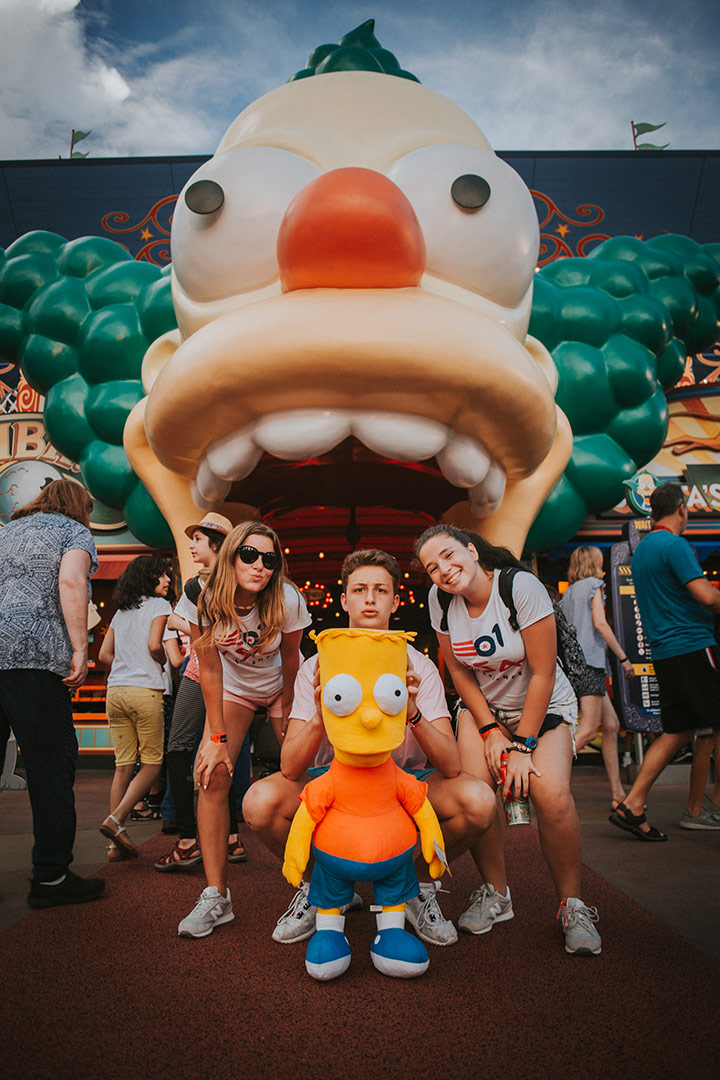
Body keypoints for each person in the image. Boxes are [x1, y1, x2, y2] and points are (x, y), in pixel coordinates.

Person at [243, 548, 498, 948]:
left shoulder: (418, 666)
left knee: (479, 801)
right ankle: (320, 888)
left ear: (395, 602)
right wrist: (319, 717)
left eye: (381, 590)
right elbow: (290, 767)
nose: (370, 599)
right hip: (332, 781)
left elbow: (451, 765)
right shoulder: (316, 666)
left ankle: (413, 889)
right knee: (259, 802)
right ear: (344, 600)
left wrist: (413, 712)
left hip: (402, 782)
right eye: (360, 589)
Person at [415, 524, 602, 957]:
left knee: (550, 795)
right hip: (486, 710)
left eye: (448, 555)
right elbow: (458, 670)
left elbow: (543, 672)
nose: (443, 570)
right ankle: (497, 893)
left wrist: (521, 746)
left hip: (543, 705)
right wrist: (488, 730)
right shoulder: (440, 600)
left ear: (471, 550)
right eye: (431, 567)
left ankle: (573, 906)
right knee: (477, 796)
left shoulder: (519, 587)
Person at [175, 521, 311, 938]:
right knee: (211, 774)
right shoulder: (199, 594)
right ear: (231, 555)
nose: (259, 566)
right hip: (233, 689)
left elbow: (292, 660)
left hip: (281, 687)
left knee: (300, 773)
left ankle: (322, 880)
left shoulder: (287, 598)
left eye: (269, 559)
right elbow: (209, 666)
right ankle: (216, 895)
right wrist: (217, 739)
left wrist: (287, 713)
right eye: (249, 555)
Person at [0, 478, 104, 908]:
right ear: (80, 506)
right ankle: (51, 877)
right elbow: (71, 583)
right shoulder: (73, 531)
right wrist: (80, 648)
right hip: (36, 662)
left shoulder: (6, 532)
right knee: (51, 769)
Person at [611, 483, 720, 838]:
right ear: (682, 509)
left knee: (677, 730)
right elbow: (706, 597)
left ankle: (633, 803)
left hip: (665, 652)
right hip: (692, 644)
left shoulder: (643, 549)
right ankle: (708, 807)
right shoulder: (675, 545)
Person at [154, 513, 249, 870]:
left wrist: (185, 623)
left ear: (217, 544)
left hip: (211, 674)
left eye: (197, 540)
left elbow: (195, 630)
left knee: (185, 749)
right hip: (214, 673)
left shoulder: (234, 582)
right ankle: (230, 838)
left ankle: (189, 840)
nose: (192, 546)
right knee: (219, 752)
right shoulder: (198, 585)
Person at [98, 555, 173, 858]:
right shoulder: (160, 606)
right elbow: (155, 645)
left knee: (123, 766)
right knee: (153, 764)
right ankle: (116, 820)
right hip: (145, 692)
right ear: (147, 577)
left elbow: (104, 655)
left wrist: (127, 662)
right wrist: (161, 662)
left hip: (116, 691)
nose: (168, 580)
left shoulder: (121, 611)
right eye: (162, 575)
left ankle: (113, 846)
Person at [560, 546, 634, 811]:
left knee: (611, 725)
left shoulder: (568, 593)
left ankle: (618, 793)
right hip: (591, 663)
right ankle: (547, 770)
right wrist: (623, 658)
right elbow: (600, 624)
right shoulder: (594, 586)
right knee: (590, 729)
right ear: (594, 563)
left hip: (575, 666)